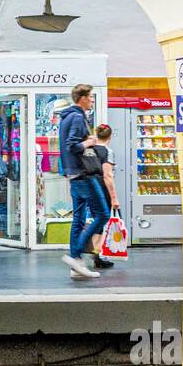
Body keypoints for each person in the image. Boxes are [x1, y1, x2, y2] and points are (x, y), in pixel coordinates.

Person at [58, 83, 107, 280]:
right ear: (83, 98)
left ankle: (75, 265)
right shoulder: (78, 116)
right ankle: (75, 256)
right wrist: (89, 142)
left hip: (73, 173)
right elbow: (72, 145)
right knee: (102, 214)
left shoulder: (66, 117)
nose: (93, 100)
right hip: (84, 173)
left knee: (78, 219)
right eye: (91, 96)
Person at [85, 123, 121, 269]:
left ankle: (97, 253)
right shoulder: (107, 152)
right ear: (110, 137)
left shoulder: (89, 150)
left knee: (97, 220)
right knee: (103, 220)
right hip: (102, 190)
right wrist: (114, 197)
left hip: (89, 189)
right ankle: (98, 252)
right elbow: (107, 175)